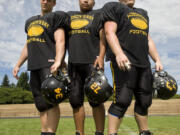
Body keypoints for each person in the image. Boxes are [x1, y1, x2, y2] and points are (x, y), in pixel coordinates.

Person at [102, 0, 163, 135]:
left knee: (145, 100)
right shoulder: (113, 7)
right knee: (122, 99)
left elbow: (148, 39)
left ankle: (144, 132)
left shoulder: (142, 13)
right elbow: (109, 31)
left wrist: (157, 59)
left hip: (144, 63)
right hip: (124, 61)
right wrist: (118, 53)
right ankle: (112, 133)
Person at [12, 0, 70, 135]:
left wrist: (58, 61)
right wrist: (18, 64)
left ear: (54, 3)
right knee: (41, 104)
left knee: (52, 101)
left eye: (49, 0)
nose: (45, 2)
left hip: (48, 65)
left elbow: (60, 40)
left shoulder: (55, 17)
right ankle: (44, 132)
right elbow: (28, 45)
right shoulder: (31, 21)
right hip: (34, 66)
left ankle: (50, 133)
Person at [67, 0, 106, 135]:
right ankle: (79, 133)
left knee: (96, 100)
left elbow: (103, 38)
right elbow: (61, 39)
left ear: (94, 2)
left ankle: (99, 132)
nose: (85, 0)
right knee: (76, 101)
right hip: (73, 64)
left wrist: (101, 57)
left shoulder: (98, 14)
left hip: (92, 63)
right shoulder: (68, 16)